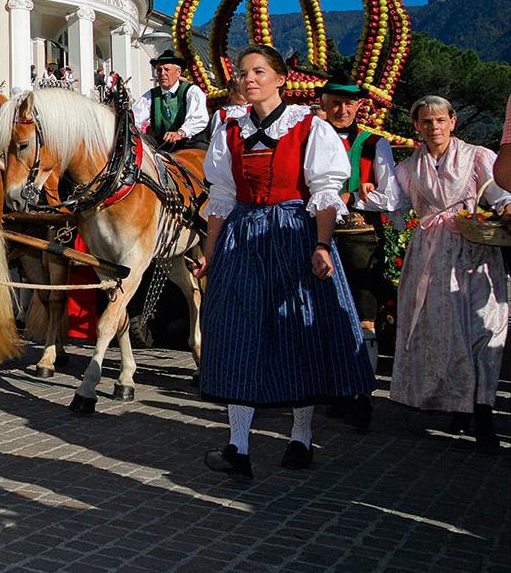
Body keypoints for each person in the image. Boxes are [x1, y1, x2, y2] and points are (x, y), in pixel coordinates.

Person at [195, 45, 375, 477]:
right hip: (243, 235)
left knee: (298, 332)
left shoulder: (309, 127)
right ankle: (238, 446)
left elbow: (325, 191)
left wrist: (321, 245)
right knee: (239, 333)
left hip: (293, 233)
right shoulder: (229, 128)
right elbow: (221, 197)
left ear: (280, 78)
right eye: (242, 73)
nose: (248, 79)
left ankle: (300, 436)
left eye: (258, 72)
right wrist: (209, 252)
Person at [391, 95, 510, 452]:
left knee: (484, 328)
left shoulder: (477, 157)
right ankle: (459, 404)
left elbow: (500, 195)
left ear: (453, 122)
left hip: (475, 251)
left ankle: (484, 409)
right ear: (417, 127)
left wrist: (503, 210)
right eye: (426, 122)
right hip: (430, 255)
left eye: (440, 120)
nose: (434, 127)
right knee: (446, 331)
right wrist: (362, 192)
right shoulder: (408, 168)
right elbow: (394, 205)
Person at [317, 78, 405, 389]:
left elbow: (393, 197)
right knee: (320, 313)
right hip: (317, 238)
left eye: (348, 103)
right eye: (336, 103)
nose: (342, 109)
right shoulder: (310, 140)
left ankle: (362, 389)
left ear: (358, 107)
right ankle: (329, 383)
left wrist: (353, 197)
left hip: (362, 238)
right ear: (325, 105)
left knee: (364, 312)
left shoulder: (373, 144)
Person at [133, 50, 209, 152]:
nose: (162, 73)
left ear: (178, 72)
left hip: (189, 143)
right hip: (162, 144)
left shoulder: (191, 91)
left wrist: (181, 132)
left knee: (204, 156)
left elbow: (199, 118)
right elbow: (134, 117)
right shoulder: (150, 96)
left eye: (166, 69)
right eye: (159, 70)